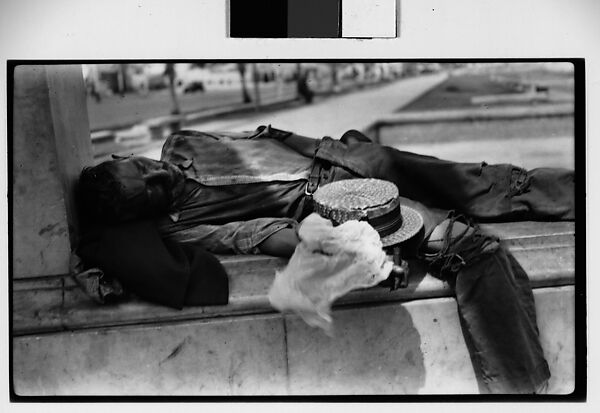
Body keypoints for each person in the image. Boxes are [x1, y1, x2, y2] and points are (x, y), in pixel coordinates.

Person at [78, 125, 575, 394]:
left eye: (141, 167)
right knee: (465, 246)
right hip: (343, 205)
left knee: (493, 185)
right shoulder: (184, 226)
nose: (157, 176)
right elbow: (262, 234)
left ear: (128, 155)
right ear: (138, 214)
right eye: (146, 191)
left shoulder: (182, 142)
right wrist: (353, 251)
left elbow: (266, 141)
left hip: (349, 158)